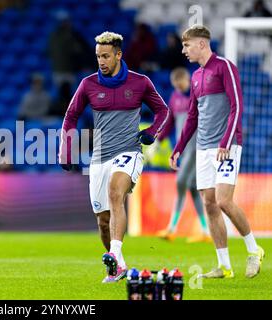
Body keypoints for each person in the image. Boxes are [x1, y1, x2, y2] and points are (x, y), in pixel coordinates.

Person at [59, 31, 169, 283]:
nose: (101, 61)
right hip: (99, 157)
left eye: (106, 56)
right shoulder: (88, 84)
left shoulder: (140, 82)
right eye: (98, 56)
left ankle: (115, 253)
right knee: (103, 220)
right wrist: (65, 148)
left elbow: (163, 111)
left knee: (115, 193)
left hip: (128, 151)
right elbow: (70, 116)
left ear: (119, 55)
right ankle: (116, 268)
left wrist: (152, 131)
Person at [170, 25, 264, 279]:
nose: (183, 50)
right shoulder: (196, 77)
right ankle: (224, 266)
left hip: (227, 146)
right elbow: (192, 116)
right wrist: (178, 148)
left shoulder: (224, 67)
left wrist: (225, 142)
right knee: (210, 204)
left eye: (186, 45)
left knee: (223, 200)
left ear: (201, 44)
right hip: (203, 149)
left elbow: (237, 106)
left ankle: (254, 251)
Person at [153, 67, 210, 243]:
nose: (179, 87)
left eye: (181, 83)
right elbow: (170, 120)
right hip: (182, 147)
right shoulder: (175, 97)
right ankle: (205, 231)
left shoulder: (197, 96)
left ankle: (172, 228)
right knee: (192, 187)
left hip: (195, 146)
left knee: (180, 182)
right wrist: (159, 139)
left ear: (187, 81)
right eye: (176, 85)